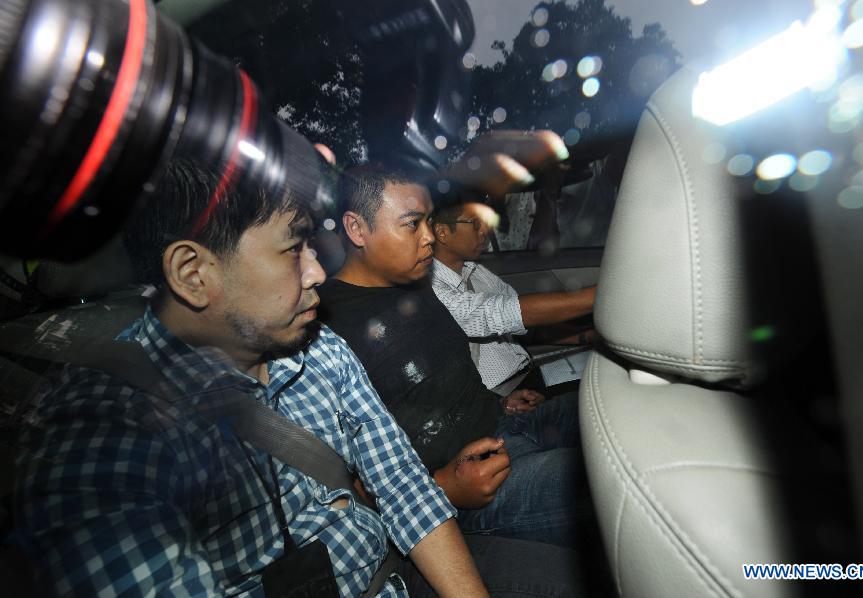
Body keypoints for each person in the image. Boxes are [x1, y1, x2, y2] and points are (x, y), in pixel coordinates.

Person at [10, 151, 487, 597]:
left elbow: (403, 485)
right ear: (194, 274)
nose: (317, 272)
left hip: (390, 572)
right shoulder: (104, 437)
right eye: (293, 249)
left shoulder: (318, 348)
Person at [317, 152, 597, 548]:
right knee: (612, 479)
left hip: (506, 424)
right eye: (412, 224)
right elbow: (338, 486)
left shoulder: (417, 284)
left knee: (615, 413)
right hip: (464, 486)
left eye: (429, 221)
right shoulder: (326, 327)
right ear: (357, 229)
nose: (429, 236)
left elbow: (446, 373)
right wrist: (442, 488)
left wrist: (499, 402)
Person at [430, 201, 597, 394]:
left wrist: (586, 337)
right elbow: (497, 313)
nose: (485, 230)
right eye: (475, 223)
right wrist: (599, 296)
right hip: (499, 394)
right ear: (442, 233)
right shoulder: (432, 288)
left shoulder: (476, 271)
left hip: (527, 373)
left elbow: (527, 323)